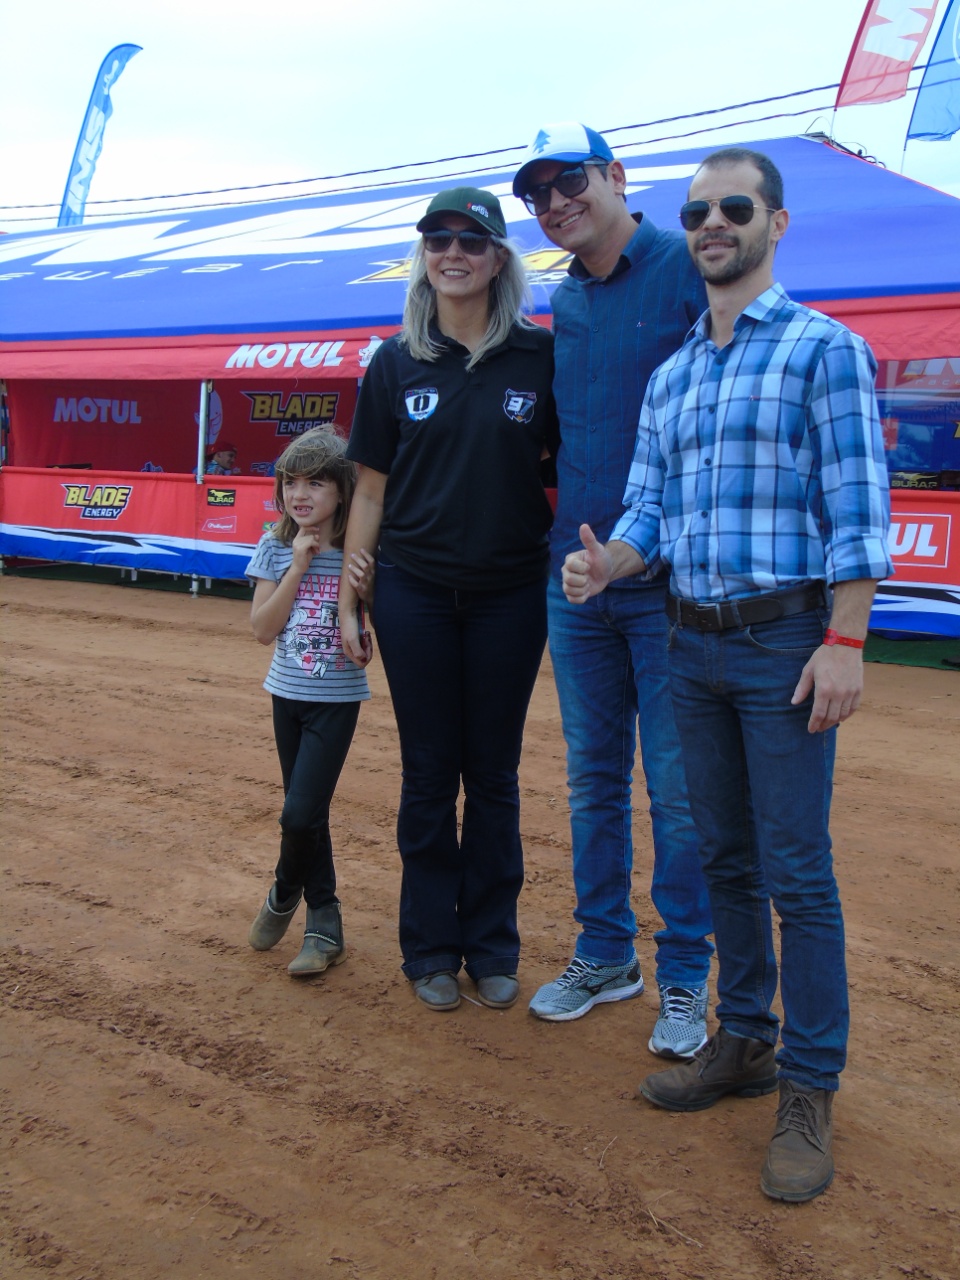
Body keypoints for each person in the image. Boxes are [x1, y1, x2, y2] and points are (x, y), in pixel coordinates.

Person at [561, 147, 892, 1202]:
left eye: (735, 207)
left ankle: (810, 1083)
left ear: (775, 224)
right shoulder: (675, 374)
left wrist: (844, 640)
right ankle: (743, 1038)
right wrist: (611, 556)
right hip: (687, 639)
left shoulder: (821, 351)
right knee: (723, 855)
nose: (713, 223)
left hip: (785, 645)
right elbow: (652, 510)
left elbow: (857, 509)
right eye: (699, 209)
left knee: (799, 870)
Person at [512, 122, 714, 1054]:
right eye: (538, 193)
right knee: (593, 784)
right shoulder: (568, 300)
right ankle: (606, 954)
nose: (555, 202)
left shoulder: (686, 266)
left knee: (677, 793)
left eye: (569, 182)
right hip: (577, 577)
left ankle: (684, 981)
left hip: (669, 583)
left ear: (616, 177)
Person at [337, 186, 558, 1013]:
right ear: (423, 259)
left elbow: (568, 472)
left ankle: (493, 945)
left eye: (472, 240)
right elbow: (368, 494)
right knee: (430, 773)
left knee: (493, 774)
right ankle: (429, 946)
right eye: (438, 241)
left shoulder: (539, 359)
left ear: (499, 258)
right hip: (414, 595)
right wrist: (352, 599)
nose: (454, 253)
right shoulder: (394, 362)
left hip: (509, 595)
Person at [245, 427, 372, 977]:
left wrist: (367, 609)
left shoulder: (361, 552)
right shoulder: (274, 547)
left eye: (316, 483)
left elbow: (372, 638)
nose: (300, 494)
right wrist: (296, 564)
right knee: (308, 812)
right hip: (286, 696)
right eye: (291, 482)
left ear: (343, 490)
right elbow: (261, 629)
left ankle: (282, 891)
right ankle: (325, 925)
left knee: (298, 813)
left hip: (336, 701)